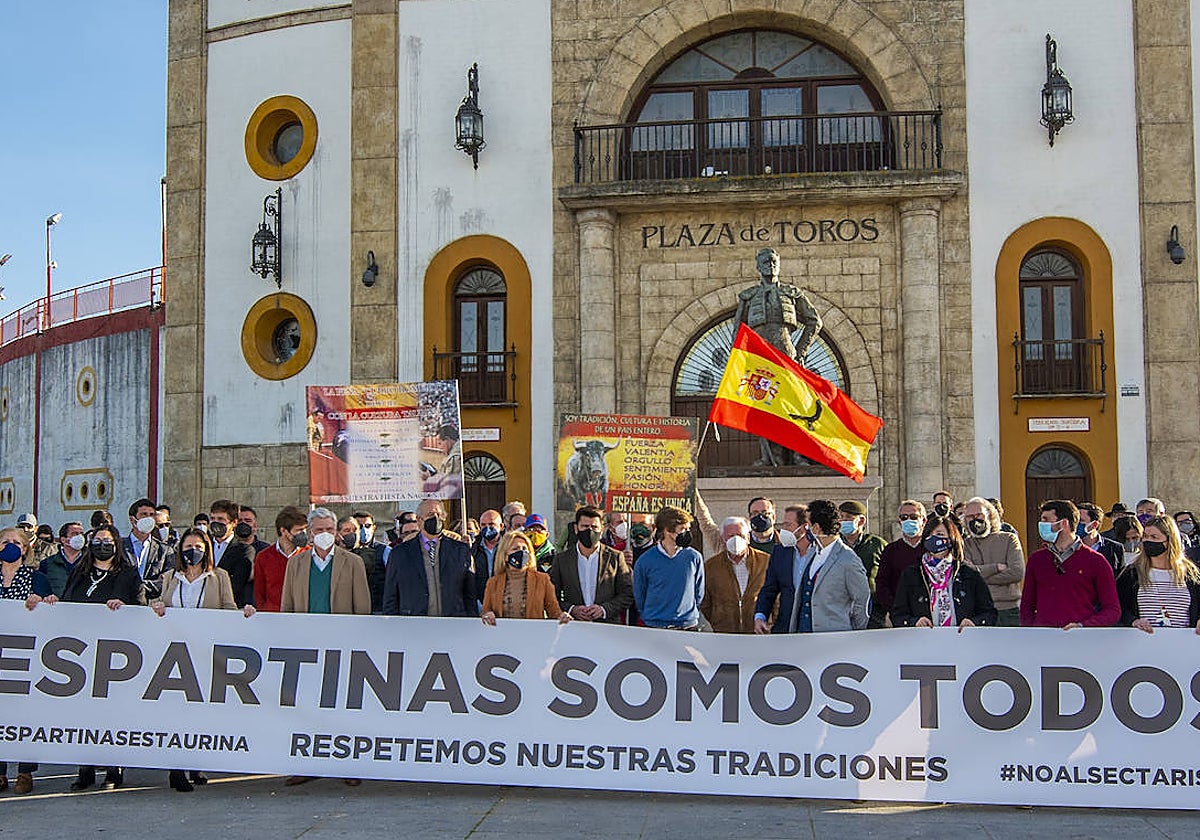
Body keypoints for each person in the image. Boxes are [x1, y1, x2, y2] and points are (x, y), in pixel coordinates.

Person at [150, 527, 255, 792]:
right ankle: (176, 769)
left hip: (206, 652)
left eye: (198, 546)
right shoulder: (171, 577)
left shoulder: (218, 577)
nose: (193, 551)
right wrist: (157, 607)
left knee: (199, 710)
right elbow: (162, 604)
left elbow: (228, 608)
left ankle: (194, 764)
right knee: (176, 711)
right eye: (188, 546)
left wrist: (245, 613)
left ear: (206, 549)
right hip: (175, 654)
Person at [280, 509, 368, 788]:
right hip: (306, 648)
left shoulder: (352, 563)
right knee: (307, 707)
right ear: (309, 531)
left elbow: (362, 609)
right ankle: (308, 763)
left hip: (342, 648)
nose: (325, 534)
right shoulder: (296, 564)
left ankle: (348, 765)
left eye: (330, 528)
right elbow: (287, 608)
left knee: (343, 708)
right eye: (319, 530)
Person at [62, 523, 144, 791]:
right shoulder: (80, 573)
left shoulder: (128, 575)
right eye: (97, 540)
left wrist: (124, 608)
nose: (102, 544)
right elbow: (66, 602)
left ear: (116, 544)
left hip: (116, 655)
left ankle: (113, 768)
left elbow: (140, 609)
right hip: (81, 653)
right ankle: (85, 770)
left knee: (112, 713)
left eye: (107, 540)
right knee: (83, 714)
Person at [734, 246, 822, 466]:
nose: (770, 265)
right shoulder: (748, 296)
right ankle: (770, 458)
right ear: (757, 266)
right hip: (760, 354)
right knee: (764, 404)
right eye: (765, 262)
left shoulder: (792, 293)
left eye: (773, 261)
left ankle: (797, 454)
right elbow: (738, 329)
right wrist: (740, 358)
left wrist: (801, 350)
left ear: (779, 264)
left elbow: (814, 321)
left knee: (791, 404)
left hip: (785, 350)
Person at [754, 499, 870, 634]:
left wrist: (851, 630)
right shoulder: (812, 554)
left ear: (815, 528)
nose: (806, 529)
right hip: (800, 636)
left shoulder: (848, 559)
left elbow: (862, 601)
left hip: (833, 638)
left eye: (808, 525)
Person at [0, 527, 52, 794]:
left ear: (25, 549)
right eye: (5, 542)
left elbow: (52, 608)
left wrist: (42, 602)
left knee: (24, 714)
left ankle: (24, 771)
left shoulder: (37, 579)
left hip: (27, 655)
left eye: (16, 543)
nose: (11, 546)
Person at [1020, 500, 1119, 629]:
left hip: (1081, 639)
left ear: (1064, 523)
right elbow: (1027, 605)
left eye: (1046, 520)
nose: (1041, 525)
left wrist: (1084, 626)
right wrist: (1032, 629)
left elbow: (1112, 609)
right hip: (1043, 639)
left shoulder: (1096, 561)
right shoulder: (1037, 559)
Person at [891, 514, 996, 629]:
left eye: (940, 534)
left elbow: (989, 613)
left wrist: (974, 622)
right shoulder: (912, 574)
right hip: (924, 640)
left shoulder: (969, 573)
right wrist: (914, 621)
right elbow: (898, 615)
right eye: (929, 535)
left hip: (961, 639)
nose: (934, 539)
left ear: (951, 538)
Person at [382, 499, 477, 617]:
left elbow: (470, 594)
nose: (436, 518)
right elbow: (391, 596)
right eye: (430, 515)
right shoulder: (400, 553)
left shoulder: (460, 550)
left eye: (439, 515)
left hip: (453, 623)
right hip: (414, 624)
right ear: (419, 520)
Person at [1116, 515, 1200, 633]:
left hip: (1183, 643)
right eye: (1145, 536)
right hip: (1143, 642)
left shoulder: (1190, 574)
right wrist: (1133, 621)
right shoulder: (1132, 573)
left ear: (1169, 541)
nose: (1148, 541)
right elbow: (1120, 607)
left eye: (1154, 537)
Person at [549, 506, 633, 623]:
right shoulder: (562, 559)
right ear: (576, 528)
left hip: (607, 628)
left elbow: (627, 594)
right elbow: (551, 595)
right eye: (585, 526)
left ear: (602, 529)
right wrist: (572, 609)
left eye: (594, 527)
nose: (589, 531)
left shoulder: (616, 557)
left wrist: (604, 609)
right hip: (574, 626)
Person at [632, 506, 705, 630]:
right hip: (655, 626)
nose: (687, 533)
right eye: (682, 529)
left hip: (687, 625)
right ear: (667, 531)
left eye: (688, 529)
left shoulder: (694, 557)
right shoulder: (645, 560)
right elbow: (640, 595)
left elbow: (699, 592)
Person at [960, 497, 1025, 626]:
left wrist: (979, 574)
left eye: (979, 514)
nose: (975, 520)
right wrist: (996, 567)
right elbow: (967, 576)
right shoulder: (964, 545)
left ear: (989, 515)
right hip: (977, 612)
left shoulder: (1009, 539)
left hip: (1009, 611)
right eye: (969, 517)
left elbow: (1017, 572)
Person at [481, 531, 572, 624]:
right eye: (515, 549)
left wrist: (562, 617)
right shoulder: (493, 583)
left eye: (524, 548)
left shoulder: (542, 580)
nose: (521, 552)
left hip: (533, 635)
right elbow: (485, 611)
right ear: (505, 556)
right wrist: (489, 615)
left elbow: (554, 612)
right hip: (503, 635)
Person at [700, 516, 770, 633]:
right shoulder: (711, 566)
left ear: (748, 537)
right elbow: (706, 602)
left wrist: (770, 622)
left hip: (759, 632)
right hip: (725, 634)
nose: (736, 540)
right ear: (723, 538)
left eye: (740, 535)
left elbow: (776, 595)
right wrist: (718, 621)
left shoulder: (766, 562)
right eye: (731, 536)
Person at [873, 500, 927, 627]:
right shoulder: (890, 550)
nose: (909, 520)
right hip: (899, 616)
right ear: (899, 521)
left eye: (914, 517)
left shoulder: (930, 548)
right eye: (904, 517)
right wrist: (894, 608)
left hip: (928, 614)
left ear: (923, 521)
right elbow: (882, 583)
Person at [253, 506, 310, 612]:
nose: (303, 534)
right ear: (283, 531)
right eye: (299, 530)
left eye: (304, 529)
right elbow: (259, 592)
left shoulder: (309, 554)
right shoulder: (264, 557)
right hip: (273, 618)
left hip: (301, 617)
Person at [126, 497, 174, 601]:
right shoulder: (120, 547)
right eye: (144, 514)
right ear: (132, 519)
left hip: (152, 605)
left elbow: (166, 580)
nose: (148, 518)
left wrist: (141, 588)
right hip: (123, 604)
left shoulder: (165, 551)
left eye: (151, 515)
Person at [209, 499, 253, 608]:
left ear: (234, 523)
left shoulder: (244, 550)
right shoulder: (204, 545)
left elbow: (237, 584)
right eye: (212, 518)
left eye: (221, 519)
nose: (216, 523)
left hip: (228, 608)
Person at [837, 500, 885, 595]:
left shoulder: (877, 544)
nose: (843, 521)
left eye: (849, 518)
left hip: (871, 602)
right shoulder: (836, 544)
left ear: (861, 521)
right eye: (841, 517)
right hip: (841, 601)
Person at [350, 510, 386, 613]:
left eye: (367, 526)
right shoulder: (345, 551)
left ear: (374, 527)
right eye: (360, 526)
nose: (364, 530)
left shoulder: (385, 551)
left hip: (378, 609)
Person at [1077, 502, 1124, 578]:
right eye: (1075, 521)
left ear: (1094, 525)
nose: (1076, 525)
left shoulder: (1115, 548)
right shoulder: (1068, 548)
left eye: (1081, 521)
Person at [39, 521, 85, 597]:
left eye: (81, 534)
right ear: (64, 540)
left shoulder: (90, 562)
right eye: (75, 534)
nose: (80, 537)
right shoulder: (47, 563)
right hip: (56, 607)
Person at [471, 509, 505, 602]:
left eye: (491, 524)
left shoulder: (508, 547)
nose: (487, 528)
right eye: (483, 525)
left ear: (501, 526)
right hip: (479, 602)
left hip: (503, 601)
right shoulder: (473, 548)